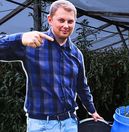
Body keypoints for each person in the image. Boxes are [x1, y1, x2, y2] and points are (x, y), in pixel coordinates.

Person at [0, 0, 103, 131]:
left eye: (70, 21)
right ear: (50, 19)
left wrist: (92, 110)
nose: (66, 25)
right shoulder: (33, 43)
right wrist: (20, 38)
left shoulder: (76, 54)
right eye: (61, 20)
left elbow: (81, 86)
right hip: (41, 124)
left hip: (69, 123)